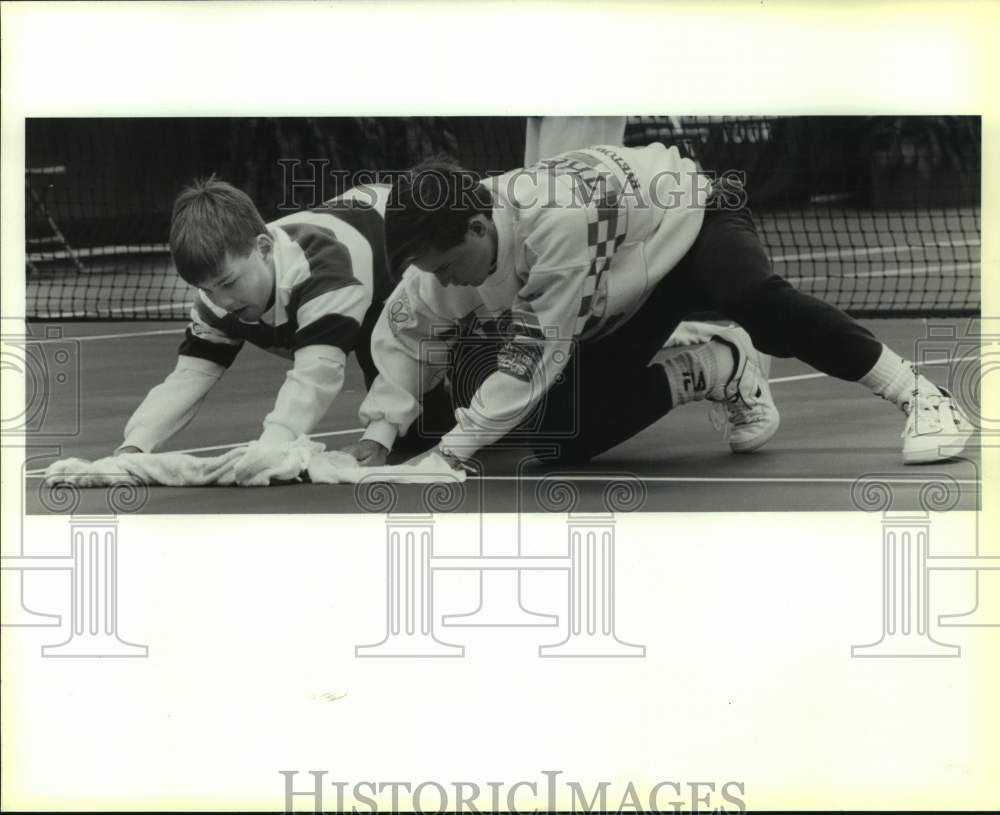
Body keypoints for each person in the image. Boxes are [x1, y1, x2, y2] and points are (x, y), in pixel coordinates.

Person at [347, 143, 973, 470]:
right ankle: (717, 365)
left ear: (481, 228)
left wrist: (448, 454)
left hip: (693, 225)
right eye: (434, 273)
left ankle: (922, 396)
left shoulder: (558, 220)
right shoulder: (442, 247)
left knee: (752, 296)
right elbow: (405, 334)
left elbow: (534, 354)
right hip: (618, 288)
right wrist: (380, 436)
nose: (446, 283)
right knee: (561, 436)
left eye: (451, 268)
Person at [114, 176, 452, 482]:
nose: (223, 300)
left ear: (263, 248)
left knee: (458, 410)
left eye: (229, 283)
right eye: (207, 289)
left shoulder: (325, 272)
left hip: (402, 247)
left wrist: (272, 448)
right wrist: (134, 447)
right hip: (360, 280)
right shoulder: (217, 297)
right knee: (419, 434)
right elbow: (189, 375)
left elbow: (317, 373)